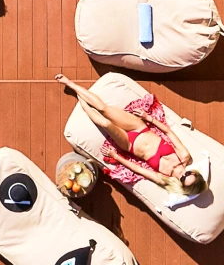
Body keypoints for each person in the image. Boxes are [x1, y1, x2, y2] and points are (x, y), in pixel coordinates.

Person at [55, 74, 207, 196]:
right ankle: (72, 84)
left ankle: (80, 98)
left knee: (106, 124)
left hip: (129, 144)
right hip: (139, 127)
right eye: (187, 174)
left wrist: (116, 156)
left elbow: (139, 170)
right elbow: (168, 131)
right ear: (192, 171)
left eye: (182, 179)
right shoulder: (184, 156)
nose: (182, 174)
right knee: (104, 109)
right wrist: (149, 119)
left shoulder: (165, 179)